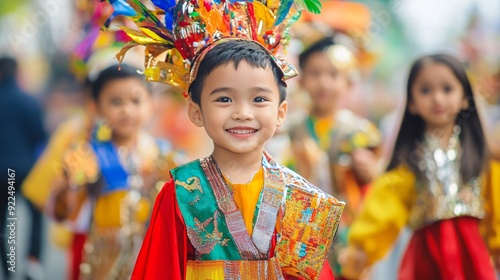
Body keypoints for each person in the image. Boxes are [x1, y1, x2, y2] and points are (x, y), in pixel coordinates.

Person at [102, 0, 346, 279]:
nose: (242, 113)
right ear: (196, 111)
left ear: (280, 113)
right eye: (224, 99)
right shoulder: (179, 194)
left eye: (258, 99)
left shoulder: (301, 200)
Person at [340, 54, 498, 279]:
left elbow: (496, 204)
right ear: (411, 102)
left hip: (472, 257)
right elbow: (384, 207)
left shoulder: (480, 156)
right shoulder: (410, 161)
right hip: (427, 258)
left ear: (465, 98)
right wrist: (360, 250)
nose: (437, 99)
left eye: (447, 89)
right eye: (425, 90)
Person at [48, 64, 179, 279]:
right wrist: (68, 186)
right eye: (115, 102)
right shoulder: (87, 156)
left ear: (151, 104)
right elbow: (64, 213)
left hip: (148, 255)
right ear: (96, 107)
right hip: (103, 261)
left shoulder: (165, 157)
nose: (126, 110)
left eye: (135, 101)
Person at [284, 36, 382, 276]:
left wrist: (370, 172)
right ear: (302, 79)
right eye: (315, 74)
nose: (323, 83)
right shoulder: (289, 129)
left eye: (333, 74)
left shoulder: (359, 132)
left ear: (348, 82)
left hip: (347, 231)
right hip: (302, 229)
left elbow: (375, 184)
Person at [0, 57, 47, 280]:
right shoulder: (29, 101)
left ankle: (8, 269)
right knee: (36, 218)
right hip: (27, 172)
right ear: (16, 72)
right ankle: (32, 263)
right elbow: (40, 137)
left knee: (4, 221)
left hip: (2, 175)